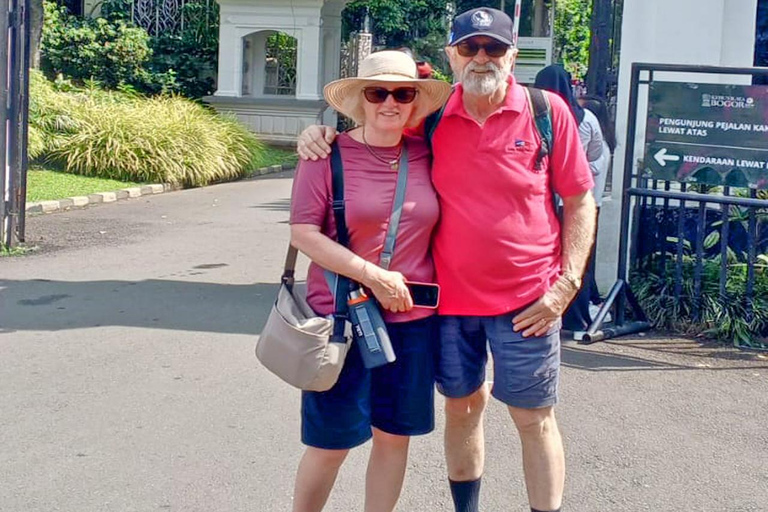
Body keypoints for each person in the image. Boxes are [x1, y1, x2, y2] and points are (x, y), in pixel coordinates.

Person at [297, 8, 597, 512]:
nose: (482, 58)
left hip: (531, 300)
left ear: (512, 55)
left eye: (494, 48)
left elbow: (580, 199)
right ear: (451, 55)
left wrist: (566, 284)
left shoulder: (547, 112)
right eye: (470, 48)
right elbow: (374, 133)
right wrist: (319, 134)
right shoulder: (430, 120)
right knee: (462, 407)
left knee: (534, 417)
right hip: (448, 304)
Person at [288, 50, 451, 512]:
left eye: (402, 93)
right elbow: (303, 233)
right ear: (361, 99)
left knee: (394, 438)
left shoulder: (427, 155)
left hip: (410, 320)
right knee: (330, 442)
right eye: (378, 92)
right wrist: (372, 275)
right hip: (341, 319)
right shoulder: (326, 154)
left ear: (415, 101)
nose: (390, 103)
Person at [534, 65, 604, 333]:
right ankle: (576, 317)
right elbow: (597, 151)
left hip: (544, 201)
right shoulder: (585, 118)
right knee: (577, 261)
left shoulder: (534, 115)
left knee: (548, 258)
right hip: (574, 198)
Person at [579, 94, 618, 309]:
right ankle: (592, 298)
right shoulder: (604, 141)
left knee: (584, 258)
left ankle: (591, 301)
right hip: (593, 203)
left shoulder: (599, 146)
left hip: (589, 204)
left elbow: (588, 170)